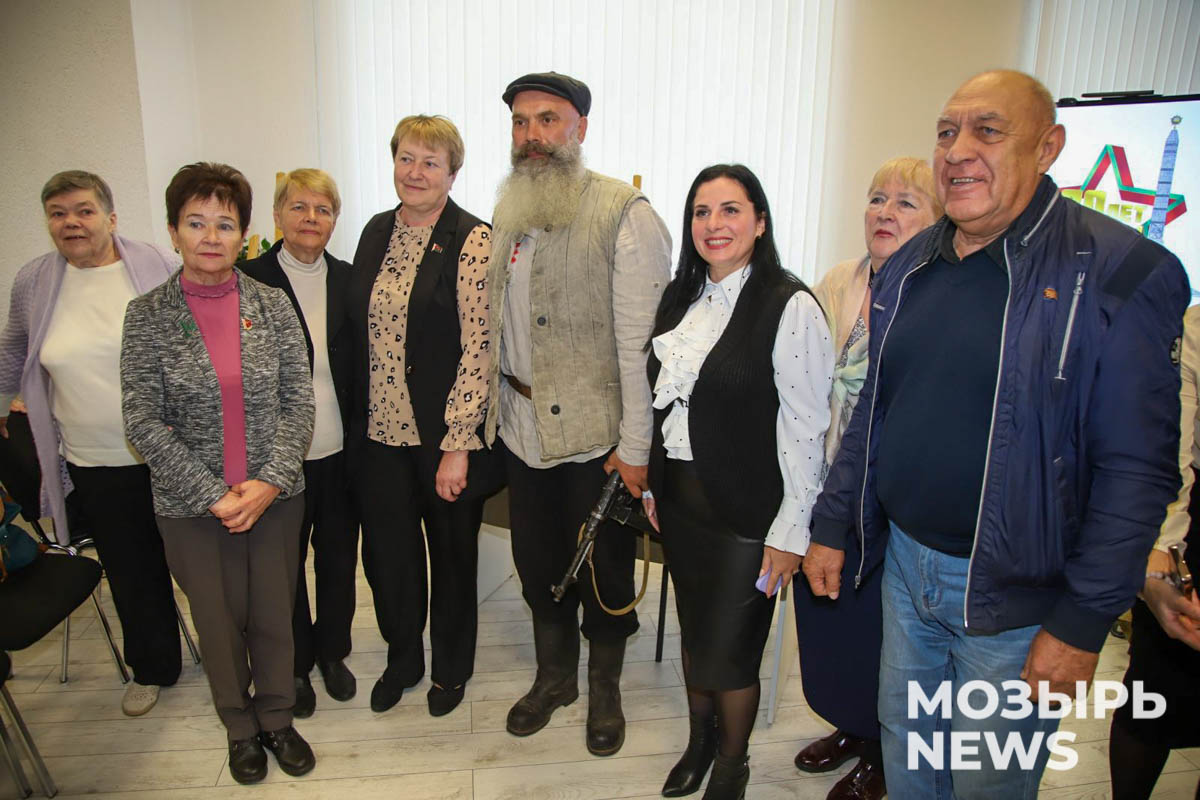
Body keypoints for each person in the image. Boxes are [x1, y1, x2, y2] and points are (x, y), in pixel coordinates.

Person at [802, 69, 1189, 799]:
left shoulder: (1121, 273)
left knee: (988, 781)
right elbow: (876, 409)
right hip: (904, 571)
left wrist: (1080, 624)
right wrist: (831, 523)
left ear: (1048, 147)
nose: (957, 151)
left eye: (987, 131)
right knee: (910, 757)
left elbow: (1137, 474)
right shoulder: (911, 264)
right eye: (946, 132)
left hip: (1017, 598)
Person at [484, 71, 672, 756]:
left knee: (604, 573)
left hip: (598, 439)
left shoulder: (626, 213)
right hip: (521, 431)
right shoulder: (508, 211)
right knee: (538, 562)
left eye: (548, 119)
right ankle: (556, 677)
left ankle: (604, 690)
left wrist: (636, 449)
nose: (532, 135)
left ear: (580, 128)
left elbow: (642, 348)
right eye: (520, 121)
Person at [120, 162, 316, 784]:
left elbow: (299, 401)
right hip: (191, 509)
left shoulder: (272, 305)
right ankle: (239, 726)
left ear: (244, 235)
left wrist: (269, 482)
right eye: (195, 222)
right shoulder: (147, 315)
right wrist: (214, 495)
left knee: (274, 615)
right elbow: (142, 419)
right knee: (218, 621)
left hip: (274, 499)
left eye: (225, 224)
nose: (210, 236)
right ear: (173, 231)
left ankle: (277, 717)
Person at [645, 164, 833, 799]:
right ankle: (699, 743)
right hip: (682, 506)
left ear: (759, 222)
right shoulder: (682, 297)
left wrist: (791, 533)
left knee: (731, 652)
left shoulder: (788, 304)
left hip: (749, 516)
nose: (714, 224)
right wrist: (655, 486)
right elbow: (664, 405)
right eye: (701, 211)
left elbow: (806, 430)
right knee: (697, 636)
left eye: (730, 210)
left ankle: (732, 763)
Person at [0, 171, 181, 717]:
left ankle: (233, 657)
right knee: (131, 570)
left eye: (83, 210)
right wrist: (6, 401)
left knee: (201, 562)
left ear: (111, 218)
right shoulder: (35, 282)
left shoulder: (158, 266)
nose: (71, 222)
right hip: (95, 460)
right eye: (58, 213)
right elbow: (14, 350)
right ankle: (152, 667)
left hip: (173, 453)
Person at [793, 157, 941, 800]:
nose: (885, 212)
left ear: (939, 221)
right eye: (878, 198)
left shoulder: (939, 295)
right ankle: (852, 726)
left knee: (886, 637)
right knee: (832, 622)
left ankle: (885, 749)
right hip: (826, 487)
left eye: (907, 203)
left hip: (893, 501)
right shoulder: (838, 281)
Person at [346, 115, 493, 717]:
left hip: (442, 437)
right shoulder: (375, 231)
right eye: (407, 158)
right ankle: (403, 657)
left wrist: (458, 442)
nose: (416, 172)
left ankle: (451, 670)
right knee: (390, 558)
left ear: (452, 174)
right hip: (379, 434)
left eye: (431, 162)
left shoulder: (472, 238)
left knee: (451, 558)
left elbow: (480, 348)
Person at [240, 168, 358, 718]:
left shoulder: (350, 279)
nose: (311, 218)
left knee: (337, 560)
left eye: (323, 210)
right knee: (283, 569)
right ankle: (295, 663)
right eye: (299, 207)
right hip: (276, 459)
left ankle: (332, 652)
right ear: (277, 215)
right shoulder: (248, 280)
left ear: (335, 219)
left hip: (341, 451)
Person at [1108, 303, 1200, 800]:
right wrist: (1161, 550)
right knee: (1157, 688)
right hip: (1188, 530)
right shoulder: (1193, 327)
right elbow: (1169, 446)